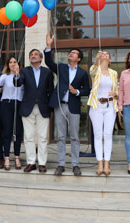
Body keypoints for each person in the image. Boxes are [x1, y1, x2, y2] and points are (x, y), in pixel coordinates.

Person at [44, 32, 90, 176]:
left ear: (79, 58)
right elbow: (49, 63)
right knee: (61, 137)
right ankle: (61, 164)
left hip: (74, 107)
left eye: (74, 53)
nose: (71, 54)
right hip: (60, 106)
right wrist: (48, 46)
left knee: (75, 137)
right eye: (70, 52)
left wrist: (76, 91)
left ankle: (75, 164)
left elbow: (87, 90)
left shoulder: (82, 73)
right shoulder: (62, 67)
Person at [13, 49, 54, 173]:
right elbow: (17, 83)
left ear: (41, 59)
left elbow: (51, 91)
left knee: (42, 137)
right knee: (28, 136)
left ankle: (42, 163)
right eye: (31, 55)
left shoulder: (47, 72)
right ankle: (31, 162)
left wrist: (51, 108)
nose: (33, 56)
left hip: (43, 108)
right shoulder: (25, 70)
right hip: (27, 108)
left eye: (36, 54)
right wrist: (16, 74)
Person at [87, 51, 118, 176]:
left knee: (108, 134)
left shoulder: (114, 73)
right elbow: (93, 71)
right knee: (98, 135)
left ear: (110, 59)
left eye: (107, 54)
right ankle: (100, 163)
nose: (104, 55)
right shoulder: (96, 70)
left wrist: (116, 93)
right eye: (102, 54)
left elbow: (116, 89)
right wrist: (96, 60)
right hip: (96, 106)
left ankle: (107, 163)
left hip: (110, 106)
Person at [0, 56, 24, 171]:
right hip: (6, 104)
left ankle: (17, 157)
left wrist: (17, 74)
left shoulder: (22, 76)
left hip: (19, 104)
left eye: (15, 62)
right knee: (7, 132)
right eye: (10, 62)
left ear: (19, 64)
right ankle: (6, 157)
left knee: (18, 131)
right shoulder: (5, 76)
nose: (12, 64)